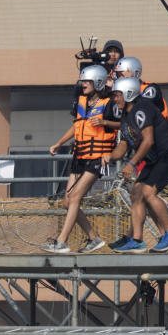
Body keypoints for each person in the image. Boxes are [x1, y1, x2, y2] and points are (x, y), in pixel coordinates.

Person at [103, 77, 168, 254]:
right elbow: (123, 146)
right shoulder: (126, 116)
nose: (114, 99)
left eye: (117, 95)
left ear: (128, 93)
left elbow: (148, 141)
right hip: (155, 160)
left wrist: (132, 164)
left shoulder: (143, 108)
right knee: (137, 193)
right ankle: (137, 240)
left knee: (148, 192)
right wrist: (107, 157)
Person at [42, 65, 115, 254]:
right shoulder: (81, 101)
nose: (83, 85)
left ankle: (61, 241)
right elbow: (77, 127)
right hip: (79, 157)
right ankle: (93, 238)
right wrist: (59, 143)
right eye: (83, 81)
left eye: (87, 81)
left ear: (97, 82)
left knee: (75, 197)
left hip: (97, 158)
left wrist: (105, 122)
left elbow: (124, 124)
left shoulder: (109, 104)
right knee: (68, 202)